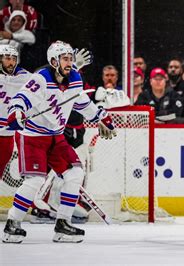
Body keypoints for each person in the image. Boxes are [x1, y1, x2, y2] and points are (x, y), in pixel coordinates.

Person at [2, 40, 117, 244]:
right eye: (65, 58)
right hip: (33, 136)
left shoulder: (74, 77)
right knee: (35, 180)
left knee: (75, 172)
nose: (70, 62)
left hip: (56, 136)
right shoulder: (41, 79)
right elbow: (21, 98)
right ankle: (12, 224)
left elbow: (80, 102)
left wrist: (100, 117)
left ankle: (63, 224)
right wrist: (16, 112)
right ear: (54, 61)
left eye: (71, 58)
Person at [0, 45, 30, 179]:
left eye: (14, 59)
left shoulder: (24, 77)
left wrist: (73, 66)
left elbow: (45, 80)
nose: (11, 62)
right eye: (7, 58)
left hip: (7, 135)